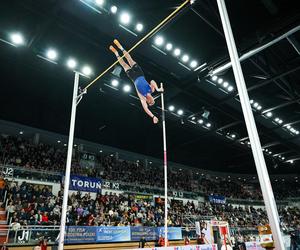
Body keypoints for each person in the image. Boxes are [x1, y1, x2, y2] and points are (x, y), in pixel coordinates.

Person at [109, 39, 164, 124]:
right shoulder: (151, 90)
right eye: (153, 100)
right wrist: (158, 89)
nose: (152, 100)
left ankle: (116, 53)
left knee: (124, 64)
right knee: (130, 59)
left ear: (149, 102)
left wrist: (153, 116)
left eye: (152, 102)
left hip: (133, 77)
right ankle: (121, 48)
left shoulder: (142, 98)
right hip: (140, 73)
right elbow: (152, 81)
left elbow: (146, 109)